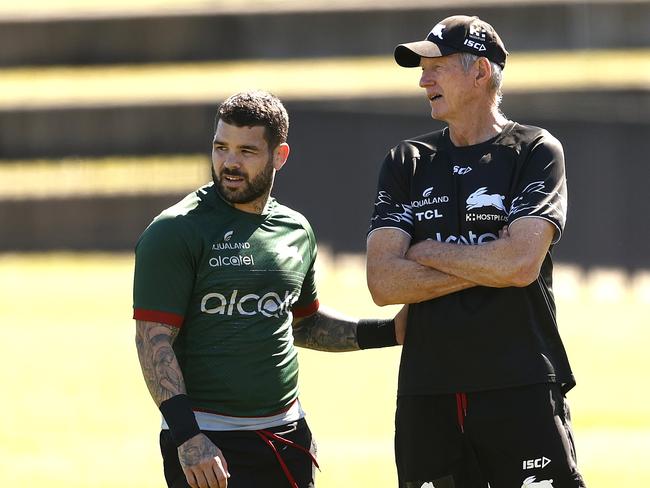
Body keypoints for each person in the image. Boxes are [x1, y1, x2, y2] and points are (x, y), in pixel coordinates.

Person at [133, 90, 401, 488]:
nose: (230, 162)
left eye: (247, 150)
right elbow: (152, 341)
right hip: (209, 442)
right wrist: (187, 437)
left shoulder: (297, 229)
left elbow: (303, 325)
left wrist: (392, 332)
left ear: (280, 155)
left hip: (287, 435)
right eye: (220, 147)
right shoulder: (174, 231)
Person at [366, 15, 587, 488]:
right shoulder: (407, 160)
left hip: (521, 384)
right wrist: (495, 264)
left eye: (437, 66)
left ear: (480, 71)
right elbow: (383, 283)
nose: (423, 79)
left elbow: (523, 263)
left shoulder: (536, 150)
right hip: (430, 392)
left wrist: (424, 250)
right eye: (422, 69)